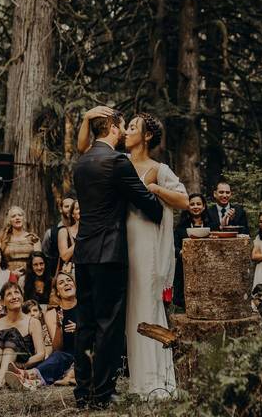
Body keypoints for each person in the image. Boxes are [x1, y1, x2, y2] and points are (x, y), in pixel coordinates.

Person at [78, 109, 189, 399]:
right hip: (118, 247)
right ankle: (114, 383)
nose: (126, 132)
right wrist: (87, 119)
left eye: (133, 127)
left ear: (147, 136)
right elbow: (84, 149)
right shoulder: (118, 162)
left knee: (143, 309)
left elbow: (184, 201)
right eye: (124, 127)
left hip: (144, 248)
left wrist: (154, 188)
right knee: (116, 320)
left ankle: (153, 380)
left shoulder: (158, 168)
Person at [6, 271, 78, 390]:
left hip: (87, 351)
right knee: (58, 356)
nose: (66, 284)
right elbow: (57, 348)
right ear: (57, 292)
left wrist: (80, 329)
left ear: (75, 285)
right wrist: (59, 327)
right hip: (66, 356)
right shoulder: (52, 313)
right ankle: (30, 377)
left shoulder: (86, 307)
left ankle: (28, 376)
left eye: (69, 280)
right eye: (61, 282)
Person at [0, 282, 44, 387]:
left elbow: (41, 354)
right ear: (3, 302)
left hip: (19, 364)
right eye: (9, 294)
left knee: (12, 334)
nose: (14, 297)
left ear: (22, 298)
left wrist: (19, 365)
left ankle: (0, 381)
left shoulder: (33, 322)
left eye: (17, 293)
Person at [173, 193, 213, 307]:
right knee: (185, 301)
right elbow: (173, 247)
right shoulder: (181, 227)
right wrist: (181, 252)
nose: (196, 207)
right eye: (192, 204)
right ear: (188, 207)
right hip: (185, 267)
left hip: (207, 268)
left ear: (204, 206)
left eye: (199, 204)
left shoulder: (212, 224)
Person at [0, 206, 41, 277]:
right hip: (7, 277)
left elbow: (39, 261)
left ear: (23, 218)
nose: (17, 218)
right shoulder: (2, 238)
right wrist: (10, 274)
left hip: (29, 277)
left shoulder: (33, 238)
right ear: (9, 221)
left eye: (19, 215)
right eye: (13, 216)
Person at [42, 197, 75, 276]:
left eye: (72, 207)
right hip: (58, 276)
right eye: (67, 206)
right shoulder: (50, 233)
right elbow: (45, 256)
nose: (70, 209)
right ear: (60, 209)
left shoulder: (81, 230)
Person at [56, 201, 80, 275]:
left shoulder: (92, 231)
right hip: (71, 274)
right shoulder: (64, 231)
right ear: (72, 214)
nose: (81, 210)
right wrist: (81, 239)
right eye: (77, 208)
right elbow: (64, 257)